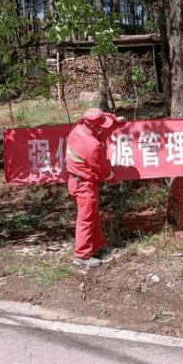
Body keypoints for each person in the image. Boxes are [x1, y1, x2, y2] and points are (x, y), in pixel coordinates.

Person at [66, 108, 125, 268]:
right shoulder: (91, 145)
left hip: (79, 181)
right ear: (93, 126)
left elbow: (104, 118)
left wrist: (115, 121)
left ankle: (98, 245)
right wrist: (112, 178)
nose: (103, 127)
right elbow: (101, 168)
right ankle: (81, 255)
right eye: (101, 125)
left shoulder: (79, 127)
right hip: (83, 183)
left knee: (92, 216)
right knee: (86, 218)